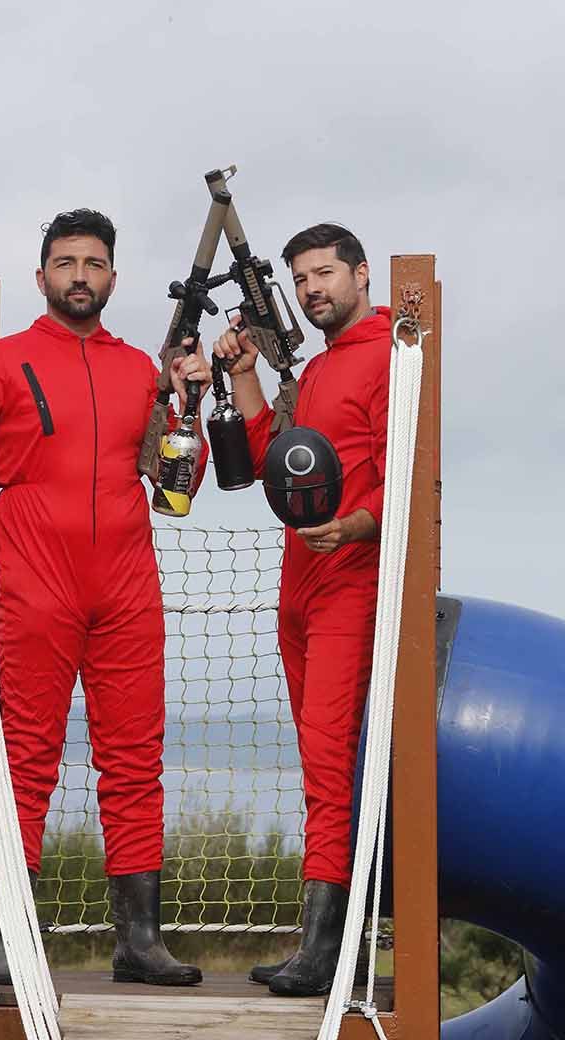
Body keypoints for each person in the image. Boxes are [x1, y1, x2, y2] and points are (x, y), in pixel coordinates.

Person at [0, 208, 211, 986]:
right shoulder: (3, 363)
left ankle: (139, 940)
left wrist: (189, 410)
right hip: (37, 585)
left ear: (112, 277)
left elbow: (176, 494)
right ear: (42, 278)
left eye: (94, 262)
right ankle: (8, 942)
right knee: (25, 759)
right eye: (65, 262)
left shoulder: (141, 367)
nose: (79, 275)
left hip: (128, 588)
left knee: (135, 759)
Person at [213, 223, 389, 996]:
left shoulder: (393, 356)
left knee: (328, 760)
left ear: (360, 274)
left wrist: (355, 524)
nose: (314, 288)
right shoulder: (317, 371)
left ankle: (325, 951)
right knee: (319, 763)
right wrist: (245, 373)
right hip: (299, 588)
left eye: (325, 273)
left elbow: (413, 472)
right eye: (302, 278)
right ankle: (329, 944)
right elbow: (263, 463)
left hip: (353, 581)